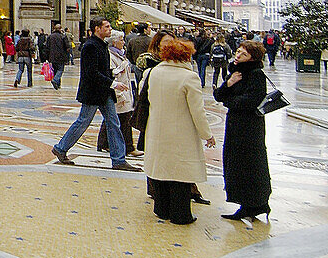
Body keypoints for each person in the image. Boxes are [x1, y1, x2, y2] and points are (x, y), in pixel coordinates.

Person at [51, 17, 140, 172]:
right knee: (83, 122)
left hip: (104, 92)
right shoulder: (90, 46)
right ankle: (60, 148)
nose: (110, 29)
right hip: (93, 92)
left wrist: (113, 76)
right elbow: (91, 73)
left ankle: (119, 160)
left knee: (113, 123)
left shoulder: (101, 44)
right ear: (97, 29)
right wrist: (114, 83)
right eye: (106, 26)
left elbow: (102, 70)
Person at [143, 37, 216, 225]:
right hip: (180, 132)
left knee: (160, 169)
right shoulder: (188, 77)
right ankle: (180, 214)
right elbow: (197, 110)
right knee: (180, 174)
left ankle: (162, 209)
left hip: (156, 129)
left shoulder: (154, 73)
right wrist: (206, 134)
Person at [214, 40, 272, 222]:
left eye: (243, 54)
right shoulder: (236, 73)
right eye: (238, 52)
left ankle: (254, 204)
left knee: (250, 164)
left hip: (250, 128)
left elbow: (250, 101)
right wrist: (229, 84)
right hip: (235, 125)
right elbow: (218, 95)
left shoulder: (256, 75)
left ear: (252, 58)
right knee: (236, 163)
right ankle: (248, 204)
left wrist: (229, 102)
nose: (238, 56)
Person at [97, 31, 138, 155]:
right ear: (114, 42)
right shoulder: (110, 55)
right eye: (121, 40)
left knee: (114, 118)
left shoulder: (120, 54)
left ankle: (103, 143)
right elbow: (111, 74)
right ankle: (129, 147)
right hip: (117, 91)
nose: (123, 42)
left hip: (124, 89)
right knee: (123, 119)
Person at [45, 22, 70, 89]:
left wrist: (47, 57)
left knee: (55, 70)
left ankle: (58, 85)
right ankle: (55, 80)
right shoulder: (63, 36)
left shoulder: (50, 36)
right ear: (60, 29)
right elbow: (67, 46)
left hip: (52, 56)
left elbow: (47, 47)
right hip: (61, 56)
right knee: (60, 70)